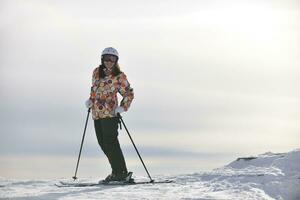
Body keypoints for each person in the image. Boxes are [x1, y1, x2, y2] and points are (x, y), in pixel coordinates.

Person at [85, 47, 134, 182]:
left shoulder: (119, 76)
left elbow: (129, 93)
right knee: (103, 144)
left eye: (113, 59)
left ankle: (121, 173)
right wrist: (90, 99)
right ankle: (116, 171)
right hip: (97, 113)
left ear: (116, 61)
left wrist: (123, 107)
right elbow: (94, 89)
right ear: (102, 59)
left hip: (110, 114)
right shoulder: (96, 72)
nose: (109, 61)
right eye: (107, 58)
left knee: (110, 143)